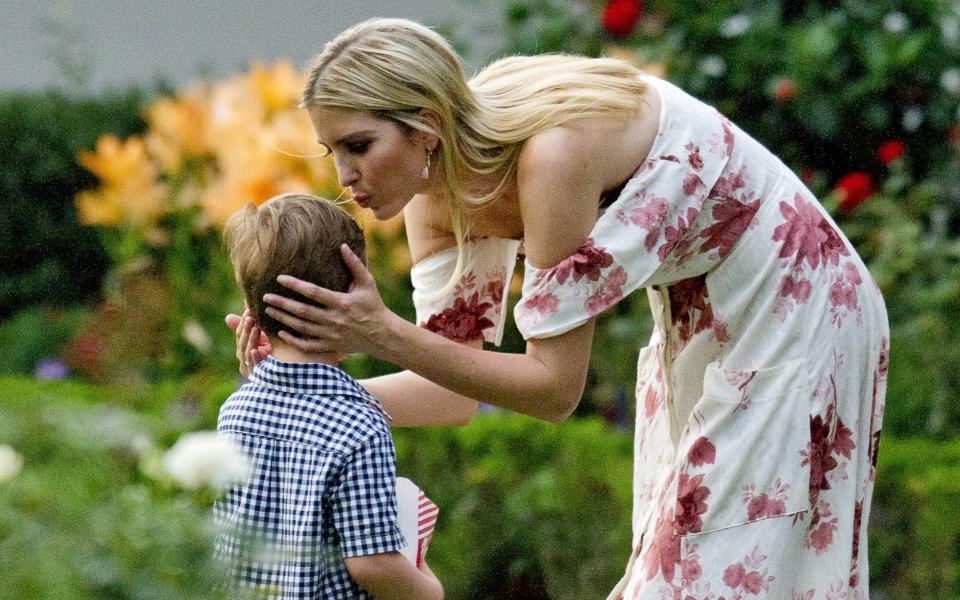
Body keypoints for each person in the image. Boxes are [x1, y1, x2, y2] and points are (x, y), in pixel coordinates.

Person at [229, 18, 889, 599]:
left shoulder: (551, 157)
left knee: (708, 571)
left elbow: (553, 389)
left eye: (358, 145)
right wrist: (300, 389)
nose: (343, 176)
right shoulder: (435, 197)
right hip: (700, 313)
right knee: (682, 563)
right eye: (331, 151)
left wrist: (386, 335)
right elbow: (453, 392)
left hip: (796, 305)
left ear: (426, 127)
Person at [217, 193, 445, 600]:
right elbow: (373, 564)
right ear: (352, 297)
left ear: (252, 307)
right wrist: (430, 591)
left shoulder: (235, 411)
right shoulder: (359, 427)